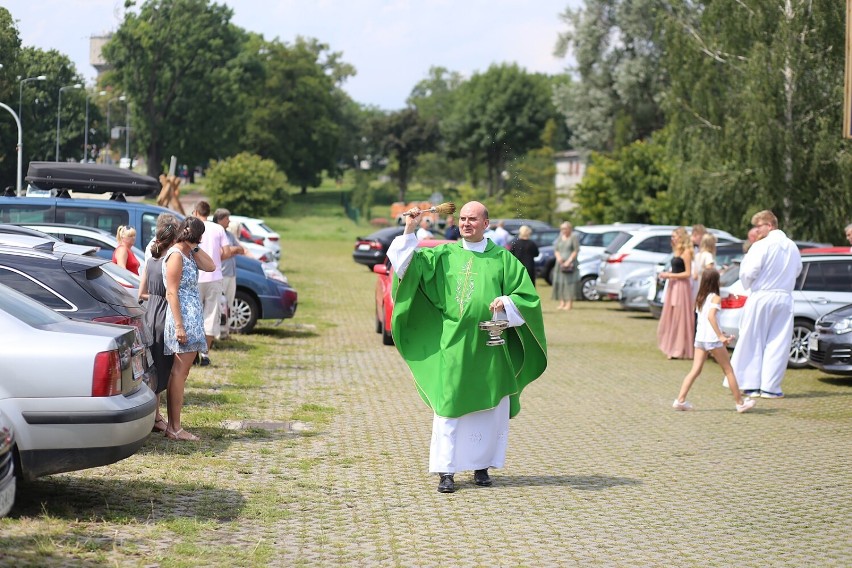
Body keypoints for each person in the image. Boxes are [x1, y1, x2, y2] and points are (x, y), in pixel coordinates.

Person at [386, 201, 547, 494]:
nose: (466, 224)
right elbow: (407, 267)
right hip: (454, 344)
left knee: (489, 406)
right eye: (462, 219)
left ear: (486, 223)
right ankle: (446, 470)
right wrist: (409, 230)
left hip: (490, 345)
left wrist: (506, 303)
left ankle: (481, 466)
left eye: (472, 219)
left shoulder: (504, 260)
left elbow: (527, 297)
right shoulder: (444, 255)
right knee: (448, 405)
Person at [729, 210, 802, 398]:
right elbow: (797, 270)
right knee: (778, 342)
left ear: (769, 225)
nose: (756, 230)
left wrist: (751, 285)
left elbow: (747, 272)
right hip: (784, 297)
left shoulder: (762, 245)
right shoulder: (792, 246)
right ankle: (771, 387)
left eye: (759, 226)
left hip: (762, 295)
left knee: (753, 339)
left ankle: (750, 384)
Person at [672, 268, 757, 413]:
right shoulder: (715, 298)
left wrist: (722, 333)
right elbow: (711, 317)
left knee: (695, 370)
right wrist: (721, 337)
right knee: (728, 370)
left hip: (700, 339)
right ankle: (740, 403)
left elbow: (707, 320)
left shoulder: (700, 298)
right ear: (715, 281)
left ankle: (680, 400)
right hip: (712, 340)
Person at [162, 217, 215, 440]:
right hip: (182, 319)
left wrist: (194, 247)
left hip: (191, 319)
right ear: (197, 235)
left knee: (183, 373)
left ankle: (174, 426)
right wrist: (179, 326)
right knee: (179, 373)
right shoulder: (176, 255)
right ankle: (175, 428)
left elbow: (211, 266)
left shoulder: (188, 252)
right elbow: (171, 292)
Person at [138, 216, 180, 433]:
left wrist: (154, 296)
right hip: (164, 316)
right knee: (163, 369)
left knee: (150, 367)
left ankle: (154, 415)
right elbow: (173, 292)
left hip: (149, 314)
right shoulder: (168, 264)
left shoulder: (150, 262)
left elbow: (141, 293)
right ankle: (156, 418)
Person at [192, 201, 230, 366]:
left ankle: (192, 353)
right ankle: (205, 354)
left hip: (196, 277)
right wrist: (214, 259)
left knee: (194, 314)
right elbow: (227, 252)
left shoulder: (193, 227)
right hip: (214, 276)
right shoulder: (218, 228)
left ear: (195, 212)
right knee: (211, 314)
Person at [657, 227, 695, 359]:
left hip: (681, 286)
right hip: (673, 285)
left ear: (681, 237)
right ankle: (671, 346)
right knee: (672, 315)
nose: (672, 239)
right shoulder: (676, 252)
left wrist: (669, 275)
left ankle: (679, 349)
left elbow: (688, 273)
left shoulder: (687, 252)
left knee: (680, 316)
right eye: (672, 236)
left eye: (675, 236)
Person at [213, 208, 247, 340]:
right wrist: (233, 250)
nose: (229, 221)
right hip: (220, 274)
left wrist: (232, 250)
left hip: (231, 274)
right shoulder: (215, 233)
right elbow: (220, 252)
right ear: (220, 219)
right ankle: (216, 332)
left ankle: (225, 331)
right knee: (218, 305)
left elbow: (240, 249)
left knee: (229, 305)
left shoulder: (229, 235)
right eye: (227, 218)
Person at [551, 222, 581, 311]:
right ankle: (561, 303)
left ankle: (569, 303)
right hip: (560, 264)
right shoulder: (560, 237)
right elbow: (556, 249)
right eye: (562, 229)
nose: (563, 231)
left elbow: (576, 250)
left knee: (569, 284)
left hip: (570, 264)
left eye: (565, 229)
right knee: (560, 282)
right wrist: (559, 258)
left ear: (569, 229)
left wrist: (569, 261)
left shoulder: (573, 237)